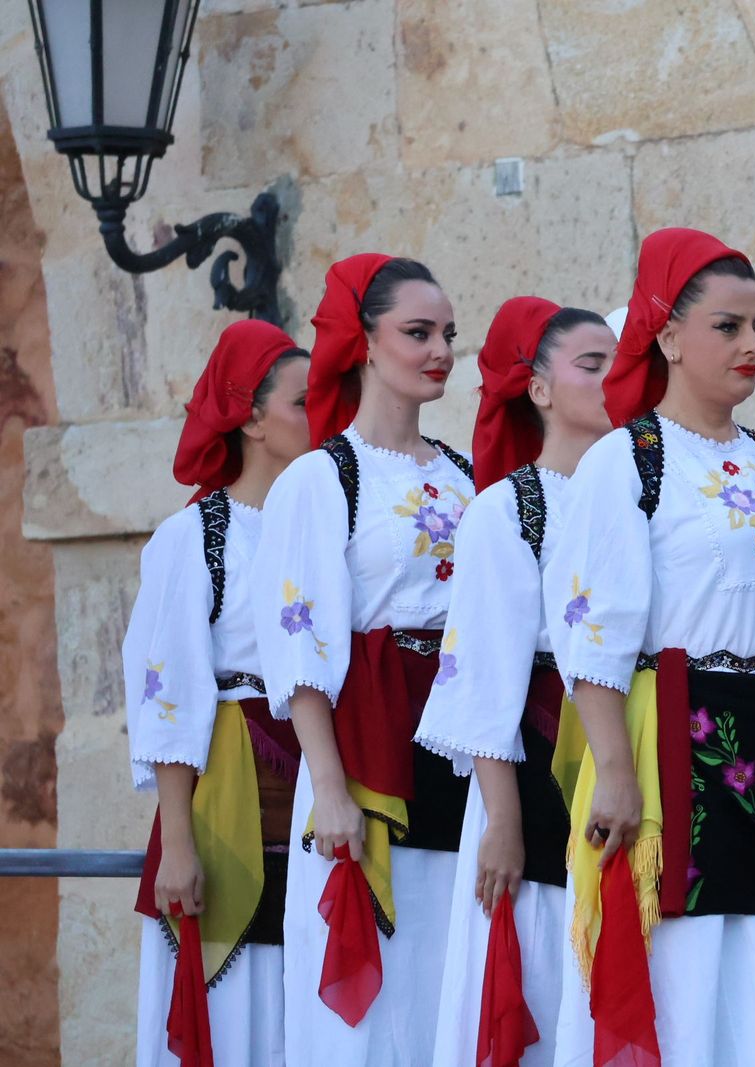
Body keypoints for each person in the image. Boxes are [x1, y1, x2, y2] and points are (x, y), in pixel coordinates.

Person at [544, 227, 755, 1066]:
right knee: (688, 974)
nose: (751, 345)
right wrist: (613, 770)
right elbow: (592, 635)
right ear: (668, 334)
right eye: (728, 326)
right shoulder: (629, 460)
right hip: (674, 742)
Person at [251, 255, 476, 1064]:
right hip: (364, 746)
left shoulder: (465, 479)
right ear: (365, 343)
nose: (441, 349)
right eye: (418, 332)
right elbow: (299, 644)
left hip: (457, 740)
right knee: (381, 986)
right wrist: (331, 791)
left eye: (448, 333)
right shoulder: (320, 478)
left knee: (453, 964)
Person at [414, 297, 616, 1066]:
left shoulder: (640, 495)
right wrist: (501, 819)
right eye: (590, 365)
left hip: (630, 758)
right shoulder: (508, 511)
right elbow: (485, 676)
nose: (610, 379)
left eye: (618, 365)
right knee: (546, 961)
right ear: (538, 389)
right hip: (537, 773)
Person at [124, 320, 310, 1067]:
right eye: (303, 402)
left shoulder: (325, 527)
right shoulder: (195, 537)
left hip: (317, 780)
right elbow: (168, 694)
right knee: (238, 1006)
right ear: (251, 416)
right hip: (229, 788)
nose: (320, 418)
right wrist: (177, 843)